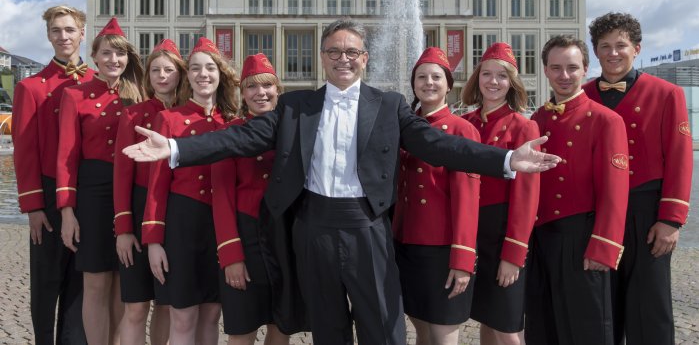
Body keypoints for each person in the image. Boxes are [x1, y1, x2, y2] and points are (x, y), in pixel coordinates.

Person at [123, 18, 560, 345]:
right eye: (335, 52)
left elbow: (437, 145)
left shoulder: (388, 105)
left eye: (352, 52)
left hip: (367, 226)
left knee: (383, 324)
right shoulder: (296, 106)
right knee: (327, 324)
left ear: (364, 58)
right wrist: (177, 150)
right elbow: (242, 136)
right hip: (312, 226)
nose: (344, 59)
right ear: (323, 57)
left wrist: (505, 159)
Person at [583, 12, 692, 345]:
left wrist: (671, 220)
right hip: (596, 213)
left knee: (650, 304)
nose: (613, 53)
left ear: (637, 48)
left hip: (647, 213)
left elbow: (679, 157)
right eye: (605, 46)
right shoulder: (582, 95)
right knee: (601, 303)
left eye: (621, 45)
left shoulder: (667, 93)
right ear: (596, 52)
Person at [526, 34, 629, 345]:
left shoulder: (606, 120)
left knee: (588, 330)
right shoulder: (538, 118)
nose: (564, 76)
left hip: (583, 238)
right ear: (545, 70)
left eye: (572, 67)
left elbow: (615, 191)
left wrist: (604, 246)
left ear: (586, 68)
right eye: (556, 67)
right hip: (542, 239)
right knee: (545, 326)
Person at [142, 37, 239, 344]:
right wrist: (154, 241)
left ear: (220, 74)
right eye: (195, 68)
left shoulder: (232, 123)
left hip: (220, 228)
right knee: (183, 317)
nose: (203, 74)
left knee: (211, 316)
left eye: (210, 67)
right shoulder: (168, 119)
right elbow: (156, 185)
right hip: (181, 227)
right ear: (188, 76)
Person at [57, 16, 144, 344]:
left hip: (130, 192)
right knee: (95, 282)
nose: (114, 60)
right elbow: (66, 155)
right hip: (92, 194)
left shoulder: (137, 95)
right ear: (93, 57)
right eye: (106, 53)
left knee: (124, 282)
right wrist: (67, 211)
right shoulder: (75, 96)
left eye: (119, 54)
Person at [12, 5, 91, 345]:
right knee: (45, 285)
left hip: (87, 195)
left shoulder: (96, 83)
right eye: (57, 30)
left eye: (70, 30)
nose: (64, 36)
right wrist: (32, 207)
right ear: (48, 35)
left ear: (81, 34)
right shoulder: (31, 88)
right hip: (46, 193)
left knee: (81, 286)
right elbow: (24, 151)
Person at [392, 47, 481, 345]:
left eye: (436, 77)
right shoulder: (403, 129)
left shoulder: (461, 130)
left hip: (443, 248)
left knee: (444, 332)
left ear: (448, 84)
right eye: (421, 77)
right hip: (405, 244)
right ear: (413, 84)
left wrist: (463, 259)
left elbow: (468, 199)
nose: (428, 82)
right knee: (421, 328)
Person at [462, 42, 540, 345]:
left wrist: (514, 253)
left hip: (503, 233)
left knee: (507, 327)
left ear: (512, 83)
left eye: (502, 76)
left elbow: (527, 196)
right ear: (477, 78)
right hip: (471, 234)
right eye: (487, 74)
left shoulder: (524, 126)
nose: (493, 81)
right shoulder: (465, 123)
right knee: (486, 318)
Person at [211, 53, 290, 345]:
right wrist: (231, 256)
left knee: (281, 326)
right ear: (242, 93)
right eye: (252, 87)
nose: (261, 93)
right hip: (245, 237)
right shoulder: (230, 133)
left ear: (277, 90)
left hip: (283, 240)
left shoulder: (291, 132)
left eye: (267, 85)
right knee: (242, 330)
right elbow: (221, 198)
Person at [113, 39, 187, 344]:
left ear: (180, 74)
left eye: (168, 69)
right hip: (140, 207)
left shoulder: (187, 115)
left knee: (167, 305)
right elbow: (121, 177)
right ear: (148, 77)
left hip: (176, 214)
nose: (162, 75)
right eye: (155, 69)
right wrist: (123, 229)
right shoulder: (132, 116)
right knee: (136, 306)